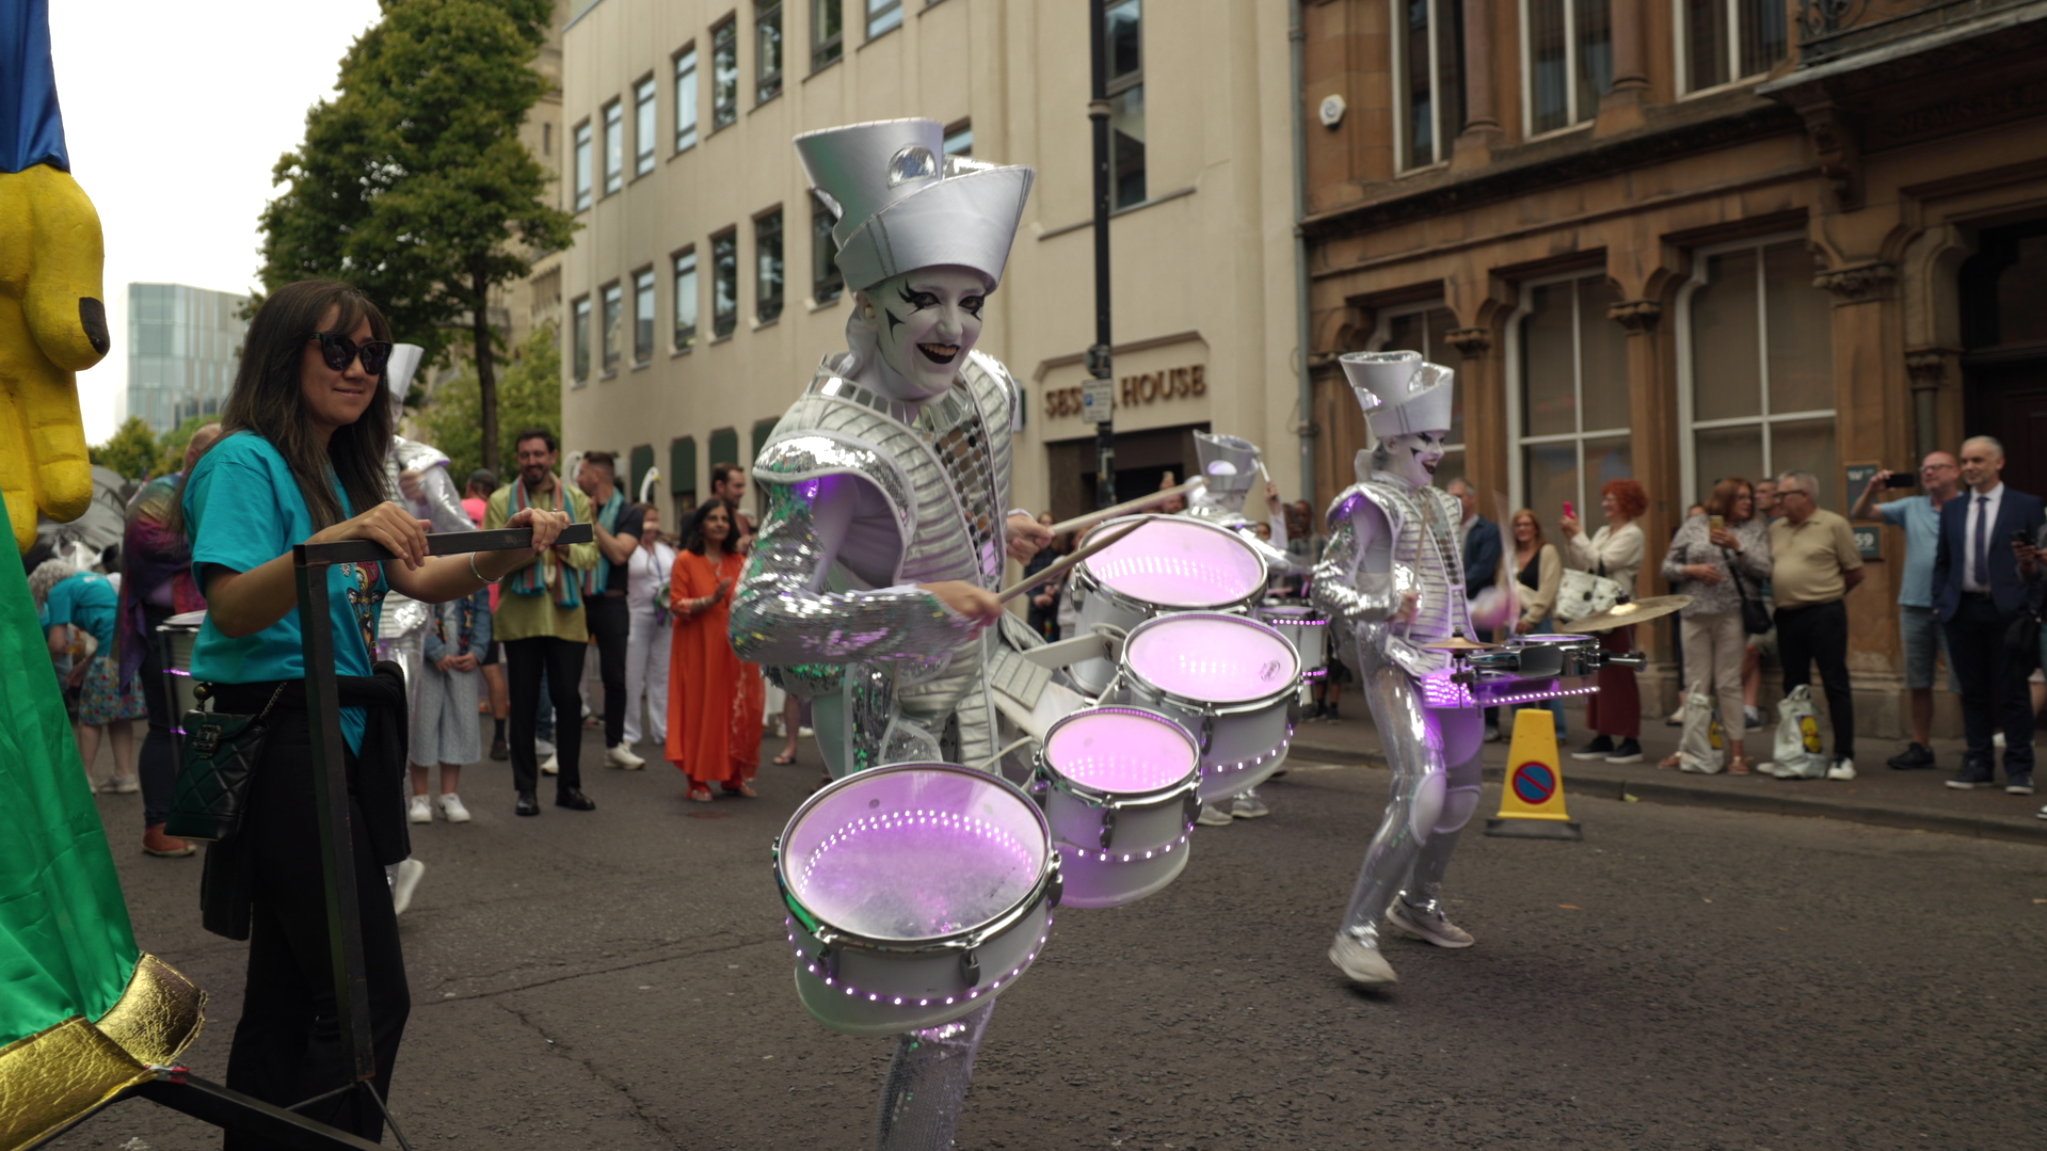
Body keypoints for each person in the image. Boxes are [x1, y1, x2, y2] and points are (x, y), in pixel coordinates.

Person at [179, 279, 568, 1143]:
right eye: (338, 349)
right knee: (364, 999)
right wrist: (321, 544)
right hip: (281, 737)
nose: (359, 370)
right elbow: (235, 607)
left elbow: (421, 577)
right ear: (287, 355)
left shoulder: (336, 468)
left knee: (291, 998)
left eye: (370, 355)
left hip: (336, 738)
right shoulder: (244, 460)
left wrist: (509, 548)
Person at [729, 119, 1049, 1151]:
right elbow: (760, 617)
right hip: (888, 732)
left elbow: (939, 522)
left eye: (972, 299)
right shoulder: (824, 443)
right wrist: (908, 610)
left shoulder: (990, 391)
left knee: (974, 978)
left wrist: (1001, 538)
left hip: (984, 699)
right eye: (925, 296)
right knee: (950, 987)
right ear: (866, 298)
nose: (953, 325)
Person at [1315, 350, 1500, 986]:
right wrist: (1381, 602)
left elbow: (1447, 585)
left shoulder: (1443, 507)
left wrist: (1487, 609)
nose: (1439, 451)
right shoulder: (1359, 503)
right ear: (1393, 438)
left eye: (1443, 438)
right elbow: (1324, 585)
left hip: (1449, 660)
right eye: (1428, 438)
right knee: (1421, 788)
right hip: (1393, 659)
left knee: (1463, 796)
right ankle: (1355, 932)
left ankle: (1418, 904)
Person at [118, 420, 223, 858]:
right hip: (162, 627)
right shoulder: (159, 494)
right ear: (196, 457)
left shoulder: (212, 497)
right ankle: (158, 824)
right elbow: (152, 540)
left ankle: (198, 816)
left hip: (207, 624)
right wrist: (221, 540)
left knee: (206, 725)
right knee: (165, 727)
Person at [484, 428, 603, 816]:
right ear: (518, 460)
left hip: (568, 620)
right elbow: (490, 559)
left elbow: (590, 558)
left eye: (538, 454)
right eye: (524, 455)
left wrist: (561, 542)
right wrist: (534, 545)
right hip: (520, 620)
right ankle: (526, 791)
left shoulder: (578, 501)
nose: (532, 461)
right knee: (525, 704)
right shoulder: (501, 501)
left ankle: (569, 787)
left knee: (569, 703)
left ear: (553, 456)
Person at [1935, 438, 2043, 794]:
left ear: (1999, 463)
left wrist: (2030, 606)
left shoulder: (2026, 505)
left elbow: (2037, 563)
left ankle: (2018, 768)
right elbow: (1944, 561)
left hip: (2008, 612)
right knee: (1973, 692)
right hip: (1963, 610)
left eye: (1977, 460)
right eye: (1965, 461)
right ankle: (1978, 762)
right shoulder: (1953, 509)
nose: (1969, 467)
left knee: (2012, 692)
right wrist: (1941, 602)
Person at [1850, 452, 1962, 770]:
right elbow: (1859, 513)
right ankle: (1920, 746)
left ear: (1955, 473)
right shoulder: (1911, 506)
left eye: (1936, 468)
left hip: (1956, 606)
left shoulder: (1968, 507)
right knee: (1918, 681)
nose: (1928, 473)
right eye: (1924, 468)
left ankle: (1974, 747)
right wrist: (1872, 489)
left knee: (1965, 680)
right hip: (1914, 605)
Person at [1659, 479, 1773, 773]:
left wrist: (1738, 548)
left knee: (1728, 683)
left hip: (1731, 613)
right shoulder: (1696, 524)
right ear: (1725, 499)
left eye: (1750, 497)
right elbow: (1667, 567)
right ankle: (1692, 750)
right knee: (1696, 684)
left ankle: (1737, 752)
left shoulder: (1754, 528)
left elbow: (1765, 569)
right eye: (1741, 497)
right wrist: (1692, 570)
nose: (1749, 502)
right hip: (1694, 613)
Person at [1768, 470, 1867, 781]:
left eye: (1783, 495)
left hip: (1824, 613)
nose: (1778, 501)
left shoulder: (1833, 524)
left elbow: (1855, 572)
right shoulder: (1775, 529)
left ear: (1805, 496)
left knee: (1834, 683)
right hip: (1787, 615)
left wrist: (1826, 595)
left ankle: (1843, 756)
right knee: (1793, 688)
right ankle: (1798, 751)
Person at [665, 502, 763, 801]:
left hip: (732, 650)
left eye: (724, 519)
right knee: (701, 709)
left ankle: (733, 777)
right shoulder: (685, 559)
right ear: (700, 524)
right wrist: (710, 600)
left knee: (735, 707)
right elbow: (677, 604)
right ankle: (698, 780)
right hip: (698, 649)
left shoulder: (738, 561)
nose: (720, 523)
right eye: (712, 518)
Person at [1563, 479, 1648, 764]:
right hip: (1596, 611)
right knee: (1597, 674)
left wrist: (1578, 535)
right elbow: (1584, 564)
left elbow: (1603, 563)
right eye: (1605, 499)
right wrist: (1572, 538)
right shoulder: (1602, 531)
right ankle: (1603, 734)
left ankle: (1629, 738)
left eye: (1612, 499)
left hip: (1619, 613)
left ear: (1627, 503)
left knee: (1619, 675)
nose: (1605, 504)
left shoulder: (1633, 534)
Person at [42, 560, 144, 790]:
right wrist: (86, 664)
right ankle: (123, 775)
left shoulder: (60, 590)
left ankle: (84, 780)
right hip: (128, 654)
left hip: (108, 659)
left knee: (89, 717)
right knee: (120, 716)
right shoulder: (97, 581)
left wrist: (41, 670)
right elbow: (112, 627)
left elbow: (57, 644)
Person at [575, 450, 646, 769]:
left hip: (613, 602)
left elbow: (619, 553)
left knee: (615, 677)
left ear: (597, 476)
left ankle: (615, 745)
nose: (578, 478)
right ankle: (562, 749)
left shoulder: (629, 513)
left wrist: (591, 523)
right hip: (577, 599)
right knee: (568, 676)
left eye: (582, 472)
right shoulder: (574, 505)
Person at [408, 581, 489, 825]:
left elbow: (483, 610)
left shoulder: (473, 559)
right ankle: (420, 796)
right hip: (424, 651)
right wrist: (434, 650)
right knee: (423, 721)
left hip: (463, 650)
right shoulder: (423, 557)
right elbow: (413, 604)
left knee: (460, 720)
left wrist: (478, 650)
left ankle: (449, 794)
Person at [1445, 478, 1504, 741]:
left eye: (1458, 497)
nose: (1453, 503)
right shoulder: (1444, 529)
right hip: (1451, 608)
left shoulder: (1488, 530)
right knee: (1456, 663)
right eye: (1449, 498)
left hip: (1478, 606)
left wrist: (1455, 586)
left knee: (1484, 663)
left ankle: (1490, 721)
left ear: (1471, 499)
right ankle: (1463, 718)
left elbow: (1484, 566)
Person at [464, 468, 513, 761]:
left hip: (454, 592)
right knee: (493, 669)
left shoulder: (457, 507)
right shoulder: (496, 515)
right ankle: (499, 737)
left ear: (470, 486)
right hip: (489, 598)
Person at [1507, 508, 1567, 739]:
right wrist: (1512, 619)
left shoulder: (1547, 552)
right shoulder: (1510, 556)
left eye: (1527, 524)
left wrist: (1530, 618)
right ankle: (1525, 730)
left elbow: (1548, 590)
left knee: (1545, 678)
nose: (1522, 529)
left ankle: (1555, 732)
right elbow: (1504, 588)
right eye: (1518, 525)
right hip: (1513, 623)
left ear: (1535, 528)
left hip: (1538, 623)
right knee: (1516, 679)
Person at [622, 503, 676, 754]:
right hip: (636, 616)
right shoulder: (630, 551)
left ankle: (662, 728)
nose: (652, 526)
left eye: (656, 520)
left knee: (661, 674)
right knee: (632, 676)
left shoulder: (665, 551)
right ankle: (630, 730)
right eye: (647, 520)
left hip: (664, 618)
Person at [1025, 513, 1064, 641]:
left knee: (1057, 642)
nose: (1046, 526)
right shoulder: (1032, 551)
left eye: (1049, 522)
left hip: (1055, 603)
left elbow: (1064, 577)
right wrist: (1036, 597)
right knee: (1034, 639)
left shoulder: (1060, 550)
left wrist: (1054, 591)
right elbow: (1026, 580)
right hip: (1036, 604)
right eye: (1043, 522)